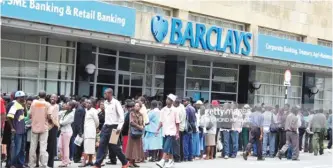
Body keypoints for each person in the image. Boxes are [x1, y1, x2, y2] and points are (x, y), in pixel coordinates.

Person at [93, 88, 130, 168]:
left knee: (114, 147)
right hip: (106, 127)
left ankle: (125, 162)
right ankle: (97, 164)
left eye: (105, 93)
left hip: (114, 127)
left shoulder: (116, 103)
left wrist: (118, 129)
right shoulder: (105, 103)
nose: (104, 95)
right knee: (101, 145)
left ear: (110, 94)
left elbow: (121, 117)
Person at [156, 94, 180, 168]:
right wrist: (157, 129)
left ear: (172, 101)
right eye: (167, 99)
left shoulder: (175, 110)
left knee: (166, 146)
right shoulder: (163, 110)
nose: (167, 100)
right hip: (165, 130)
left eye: (169, 99)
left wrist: (177, 133)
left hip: (172, 131)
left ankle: (163, 160)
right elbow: (161, 121)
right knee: (168, 146)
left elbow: (177, 122)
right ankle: (171, 161)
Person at [7, 91, 27, 168]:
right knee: (16, 148)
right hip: (17, 131)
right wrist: (12, 128)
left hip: (22, 130)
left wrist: (24, 106)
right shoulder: (14, 105)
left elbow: (25, 114)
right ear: (19, 97)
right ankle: (12, 164)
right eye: (23, 97)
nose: (24, 98)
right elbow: (9, 117)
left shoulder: (20, 105)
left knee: (22, 148)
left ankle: (21, 163)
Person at [80, 99, 99, 167]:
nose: (87, 104)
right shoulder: (85, 110)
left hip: (91, 131)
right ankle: (90, 161)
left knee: (87, 148)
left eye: (89, 103)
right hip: (86, 131)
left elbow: (97, 122)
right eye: (86, 103)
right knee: (89, 147)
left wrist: (94, 127)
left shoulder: (94, 111)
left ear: (92, 104)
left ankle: (84, 162)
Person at [125, 101, 145, 167]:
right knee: (131, 147)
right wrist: (140, 127)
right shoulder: (131, 113)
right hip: (132, 133)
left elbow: (142, 122)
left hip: (138, 133)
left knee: (137, 148)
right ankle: (130, 162)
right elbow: (131, 122)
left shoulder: (141, 114)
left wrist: (142, 126)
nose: (136, 107)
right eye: (135, 106)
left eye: (138, 106)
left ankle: (133, 162)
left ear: (140, 107)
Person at [58, 101, 75, 167]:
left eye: (67, 105)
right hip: (63, 131)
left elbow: (63, 122)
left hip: (67, 132)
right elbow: (59, 114)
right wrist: (60, 119)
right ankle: (66, 160)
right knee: (60, 146)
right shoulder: (66, 112)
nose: (65, 105)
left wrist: (59, 121)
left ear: (70, 106)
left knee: (65, 147)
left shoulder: (71, 114)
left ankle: (65, 162)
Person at [47, 94, 60, 168]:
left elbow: (53, 118)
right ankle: (47, 162)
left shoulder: (56, 106)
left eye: (54, 97)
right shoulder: (48, 105)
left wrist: (56, 125)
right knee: (48, 146)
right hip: (47, 127)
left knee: (51, 146)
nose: (53, 98)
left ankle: (50, 164)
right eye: (52, 97)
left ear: (57, 99)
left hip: (53, 127)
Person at [182, 97, 196, 162]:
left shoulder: (187, 109)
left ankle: (186, 157)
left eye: (184, 101)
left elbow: (185, 119)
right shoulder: (193, 108)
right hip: (192, 127)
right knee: (190, 142)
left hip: (187, 127)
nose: (183, 102)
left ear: (187, 101)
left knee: (185, 142)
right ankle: (191, 157)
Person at [72, 98, 86, 163]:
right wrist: (80, 132)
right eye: (86, 102)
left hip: (78, 130)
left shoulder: (80, 108)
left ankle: (77, 158)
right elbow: (79, 122)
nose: (87, 104)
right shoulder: (80, 109)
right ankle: (77, 159)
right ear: (82, 102)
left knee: (78, 145)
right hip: (79, 130)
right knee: (78, 145)